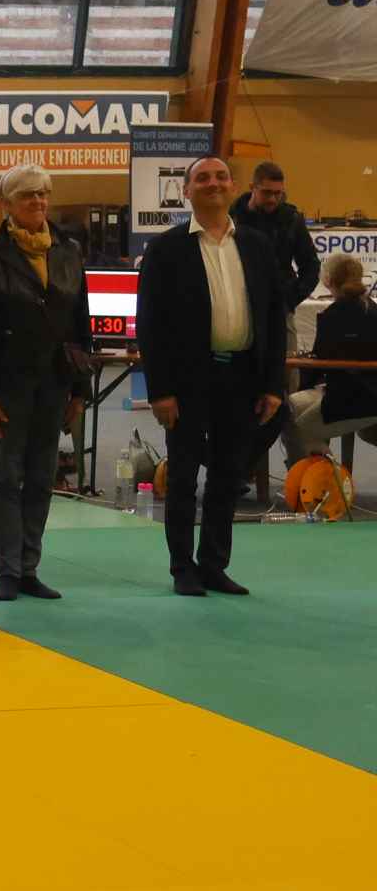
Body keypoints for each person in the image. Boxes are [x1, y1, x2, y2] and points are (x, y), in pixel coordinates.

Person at [136, 154, 285, 597]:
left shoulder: (257, 246)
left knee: (227, 476)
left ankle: (214, 564)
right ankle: (183, 567)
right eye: (203, 178)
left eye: (221, 176)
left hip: (242, 376)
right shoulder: (166, 249)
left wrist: (273, 384)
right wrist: (160, 391)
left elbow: (273, 318)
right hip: (187, 380)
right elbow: (150, 325)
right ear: (187, 191)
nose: (214, 183)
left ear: (234, 186)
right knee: (183, 476)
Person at [0, 164, 90, 602]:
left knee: (41, 478)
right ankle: (8, 570)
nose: (37, 201)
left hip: (55, 381)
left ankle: (29, 567)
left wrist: (80, 390)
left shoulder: (69, 251)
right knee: (6, 478)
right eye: (27, 195)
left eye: (42, 194)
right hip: (7, 384)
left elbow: (80, 326)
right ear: (7, 204)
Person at [281, 252, 377, 461]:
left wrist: (302, 383)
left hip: (347, 401)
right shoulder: (374, 310)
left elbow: (317, 368)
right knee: (297, 407)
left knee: (292, 420)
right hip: (370, 394)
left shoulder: (331, 316)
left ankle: (321, 475)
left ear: (328, 281)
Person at [230, 161, 320, 330]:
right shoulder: (231, 218)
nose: (272, 199)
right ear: (252, 187)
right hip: (237, 307)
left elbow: (311, 266)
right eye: (266, 192)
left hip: (279, 311)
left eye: (278, 193)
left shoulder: (291, 220)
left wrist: (289, 300)